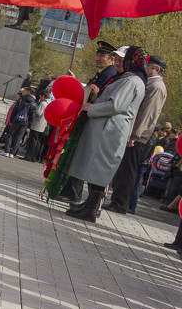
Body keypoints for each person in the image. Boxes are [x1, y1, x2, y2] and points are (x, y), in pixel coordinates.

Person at [64, 46, 149, 222]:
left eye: (121, 59)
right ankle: (89, 205)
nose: (117, 62)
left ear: (132, 61)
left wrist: (91, 108)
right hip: (108, 130)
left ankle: (91, 208)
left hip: (110, 131)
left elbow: (115, 105)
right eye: (115, 58)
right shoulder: (126, 78)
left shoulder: (131, 81)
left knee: (100, 169)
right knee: (97, 168)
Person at [108, 54, 167, 214]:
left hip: (139, 136)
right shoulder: (151, 84)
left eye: (148, 65)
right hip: (137, 134)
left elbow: (147, 114)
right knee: (125, 168)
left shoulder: (156, 87)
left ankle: (120, 203)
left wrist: (134, 135)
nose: (145, 67)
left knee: (128, 170)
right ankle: (118, 201)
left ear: (156, 69)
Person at [3, 88, 36, 158]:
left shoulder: (21, 100)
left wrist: (11, 120)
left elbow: (14, 110)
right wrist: (29, 125)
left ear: (28, 92)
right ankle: (12, 153)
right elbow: (32, 115)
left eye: (24, 91)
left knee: (10, 135)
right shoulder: (33, 102)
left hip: (17, 120)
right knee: (19, 137)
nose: (23, 92)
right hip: (25, 122)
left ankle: (7, 151)